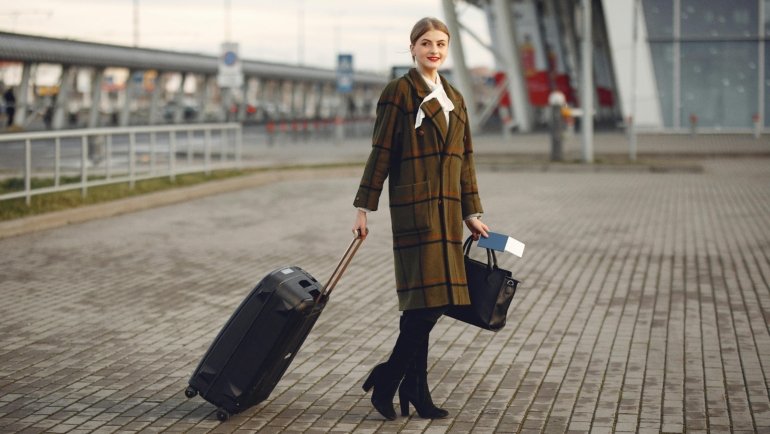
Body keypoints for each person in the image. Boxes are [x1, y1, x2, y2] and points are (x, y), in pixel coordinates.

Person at [352, 17, 490, 420]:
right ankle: (391, 377)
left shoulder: (455, 97)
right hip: (415, 209)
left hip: (447, 214)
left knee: (423, 304)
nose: (434, 50)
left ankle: (415, 387)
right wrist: (363, 207)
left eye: (441, 44)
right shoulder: (399, 92)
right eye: (426, 43)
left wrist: (472, 212)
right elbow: (380, 151)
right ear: (412, 48)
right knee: (431, 302)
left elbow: (466, 162)